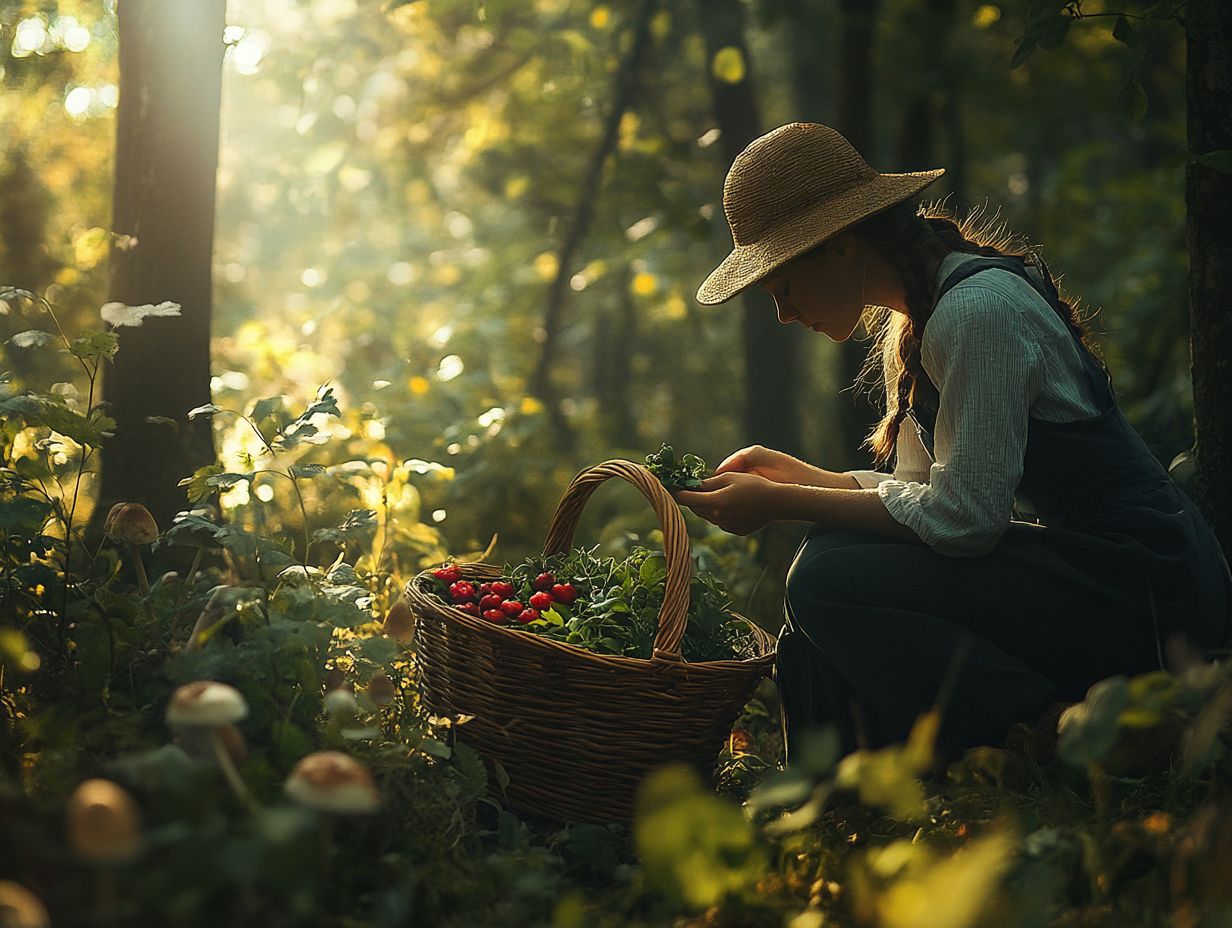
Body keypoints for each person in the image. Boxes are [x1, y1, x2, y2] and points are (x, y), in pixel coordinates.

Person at [672, 122, 1232, 765]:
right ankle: (831, 778)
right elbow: (926, 499)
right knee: (829, 555)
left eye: (784, 287)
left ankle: (1054, 736)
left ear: (841, 247)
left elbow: (967, 521)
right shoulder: (919, 319)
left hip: (1149, 592)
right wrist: (803, 483)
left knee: (826, 574)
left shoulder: (976, 312)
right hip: (1092, 580)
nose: (783, 313)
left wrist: (785, 502)